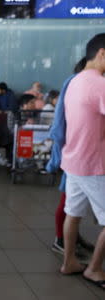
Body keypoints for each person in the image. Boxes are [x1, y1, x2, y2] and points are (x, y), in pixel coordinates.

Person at [60, 33, 105, 289]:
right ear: (102, 53)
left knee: (73, 213)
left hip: (73, 161)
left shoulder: (74, 81)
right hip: (94, 164)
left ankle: (69, 262)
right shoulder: (99, 84)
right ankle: (95, 268)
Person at [46, 57, 94, 258]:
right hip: (74, 151)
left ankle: (71, 237)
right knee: (69, 200)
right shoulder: (75, 83)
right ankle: (61, 239)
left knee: (74, 202)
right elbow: (60, 123)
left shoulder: (84, 84)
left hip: (82, 152)